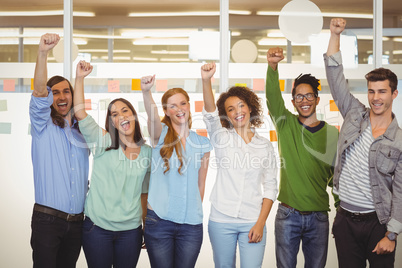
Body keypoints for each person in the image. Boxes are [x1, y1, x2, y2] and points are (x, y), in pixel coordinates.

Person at [325, 18, 402, 268]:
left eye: (381, 92)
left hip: (377, 223)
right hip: (345, 219)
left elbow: (400, 192)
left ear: (394, 94)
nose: (375, 98)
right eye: (371, 91)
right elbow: (336, 78)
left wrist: (391, 235)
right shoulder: (354, 114)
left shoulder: (399, 140)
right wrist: (335, 35)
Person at [72, 61, 151, 267]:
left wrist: (144, 226)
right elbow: (80, 112)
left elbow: (144, 193)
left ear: (133, 115)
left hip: (130, 231)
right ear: (112, 122)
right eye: (114, 114)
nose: (121, 116)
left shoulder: (148, 153)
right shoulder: (102, 141)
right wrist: (80, 78)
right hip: (97, 228)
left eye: (125, 111)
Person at [266, 48, 339, 268]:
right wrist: (272, 67)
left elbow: (337, 176)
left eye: (309, 96)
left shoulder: (332, 133)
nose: (304, 100)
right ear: (293, 100)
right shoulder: (285, 124)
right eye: (299, 96)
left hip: (318, 217)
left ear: (317, 100)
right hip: (288, 215)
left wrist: (341, 210)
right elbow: (272, 97)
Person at [201, 62, 278, 267]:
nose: (238, 111)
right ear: (226, 115)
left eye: (242, 105)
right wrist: (206, 80)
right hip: (221, 219)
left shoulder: (264, 146)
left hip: (252, 220)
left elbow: (270, 187)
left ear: (250, 107)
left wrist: (260, 223)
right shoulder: (221, 138)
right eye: (231, 109)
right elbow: (209, 115)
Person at [29, 33, 90, 268]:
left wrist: (80, 79)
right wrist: (43, 53)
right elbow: (39, 92)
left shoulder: (81, 131)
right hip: (48, 221)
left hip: (76, 223)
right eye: (56, 92)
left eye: (67, 91)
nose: (62, 96)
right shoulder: (42, 124)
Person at [139, 75, 212, 268]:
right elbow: (152, 116)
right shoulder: (160, 134)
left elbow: (201, 183)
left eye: (183, 103)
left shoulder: (203, 143)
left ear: (189, 106)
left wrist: (194, 210)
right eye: (172, 106)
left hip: (191, 224)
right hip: (159, 221)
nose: (179, 109)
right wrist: (146, 92)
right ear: (166, 111)